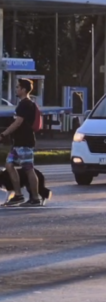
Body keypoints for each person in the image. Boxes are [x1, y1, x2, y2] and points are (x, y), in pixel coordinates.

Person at [0, 78, 44, 207]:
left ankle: (35, 198)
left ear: (23, 90)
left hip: (25, 142)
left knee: (28, 169)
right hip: (18, 143)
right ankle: (18, 195)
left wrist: (3, 134)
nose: (16, 89)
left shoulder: (25, 104)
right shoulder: (23, 104)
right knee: (9, 165)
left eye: (18, 87)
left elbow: (18, 122)